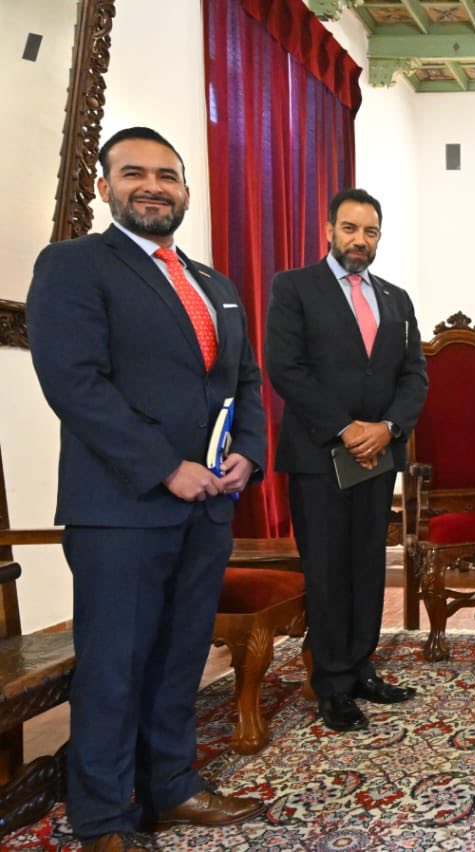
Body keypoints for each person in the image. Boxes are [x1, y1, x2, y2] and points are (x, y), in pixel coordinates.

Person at [26, 126, 268, 851]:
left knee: (181, 656)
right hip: (122, 507)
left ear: (186, 191)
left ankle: (173, 785)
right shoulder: (72, 266)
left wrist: (248, 456)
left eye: (168, 175)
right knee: (115, 662)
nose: (153, 186)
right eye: (134, 173)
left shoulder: (216, 286)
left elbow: (245, 384)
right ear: (105, 188)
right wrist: (167, 466)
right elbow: (75, 384)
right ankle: (103, 817)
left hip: (209, 506)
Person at [265, 188, 428, 734]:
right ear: (329, 229)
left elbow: (413, 376)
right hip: (319, 454)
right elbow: (286, 369)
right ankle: (331, 683)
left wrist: (387, 428)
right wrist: (346, 426)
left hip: (377, 456)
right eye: (351, 229)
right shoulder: (294, 287)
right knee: (329, 570)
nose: (361, 240)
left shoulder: (396, 298)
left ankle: (361, 669)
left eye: (371, 232)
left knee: (367, 566)